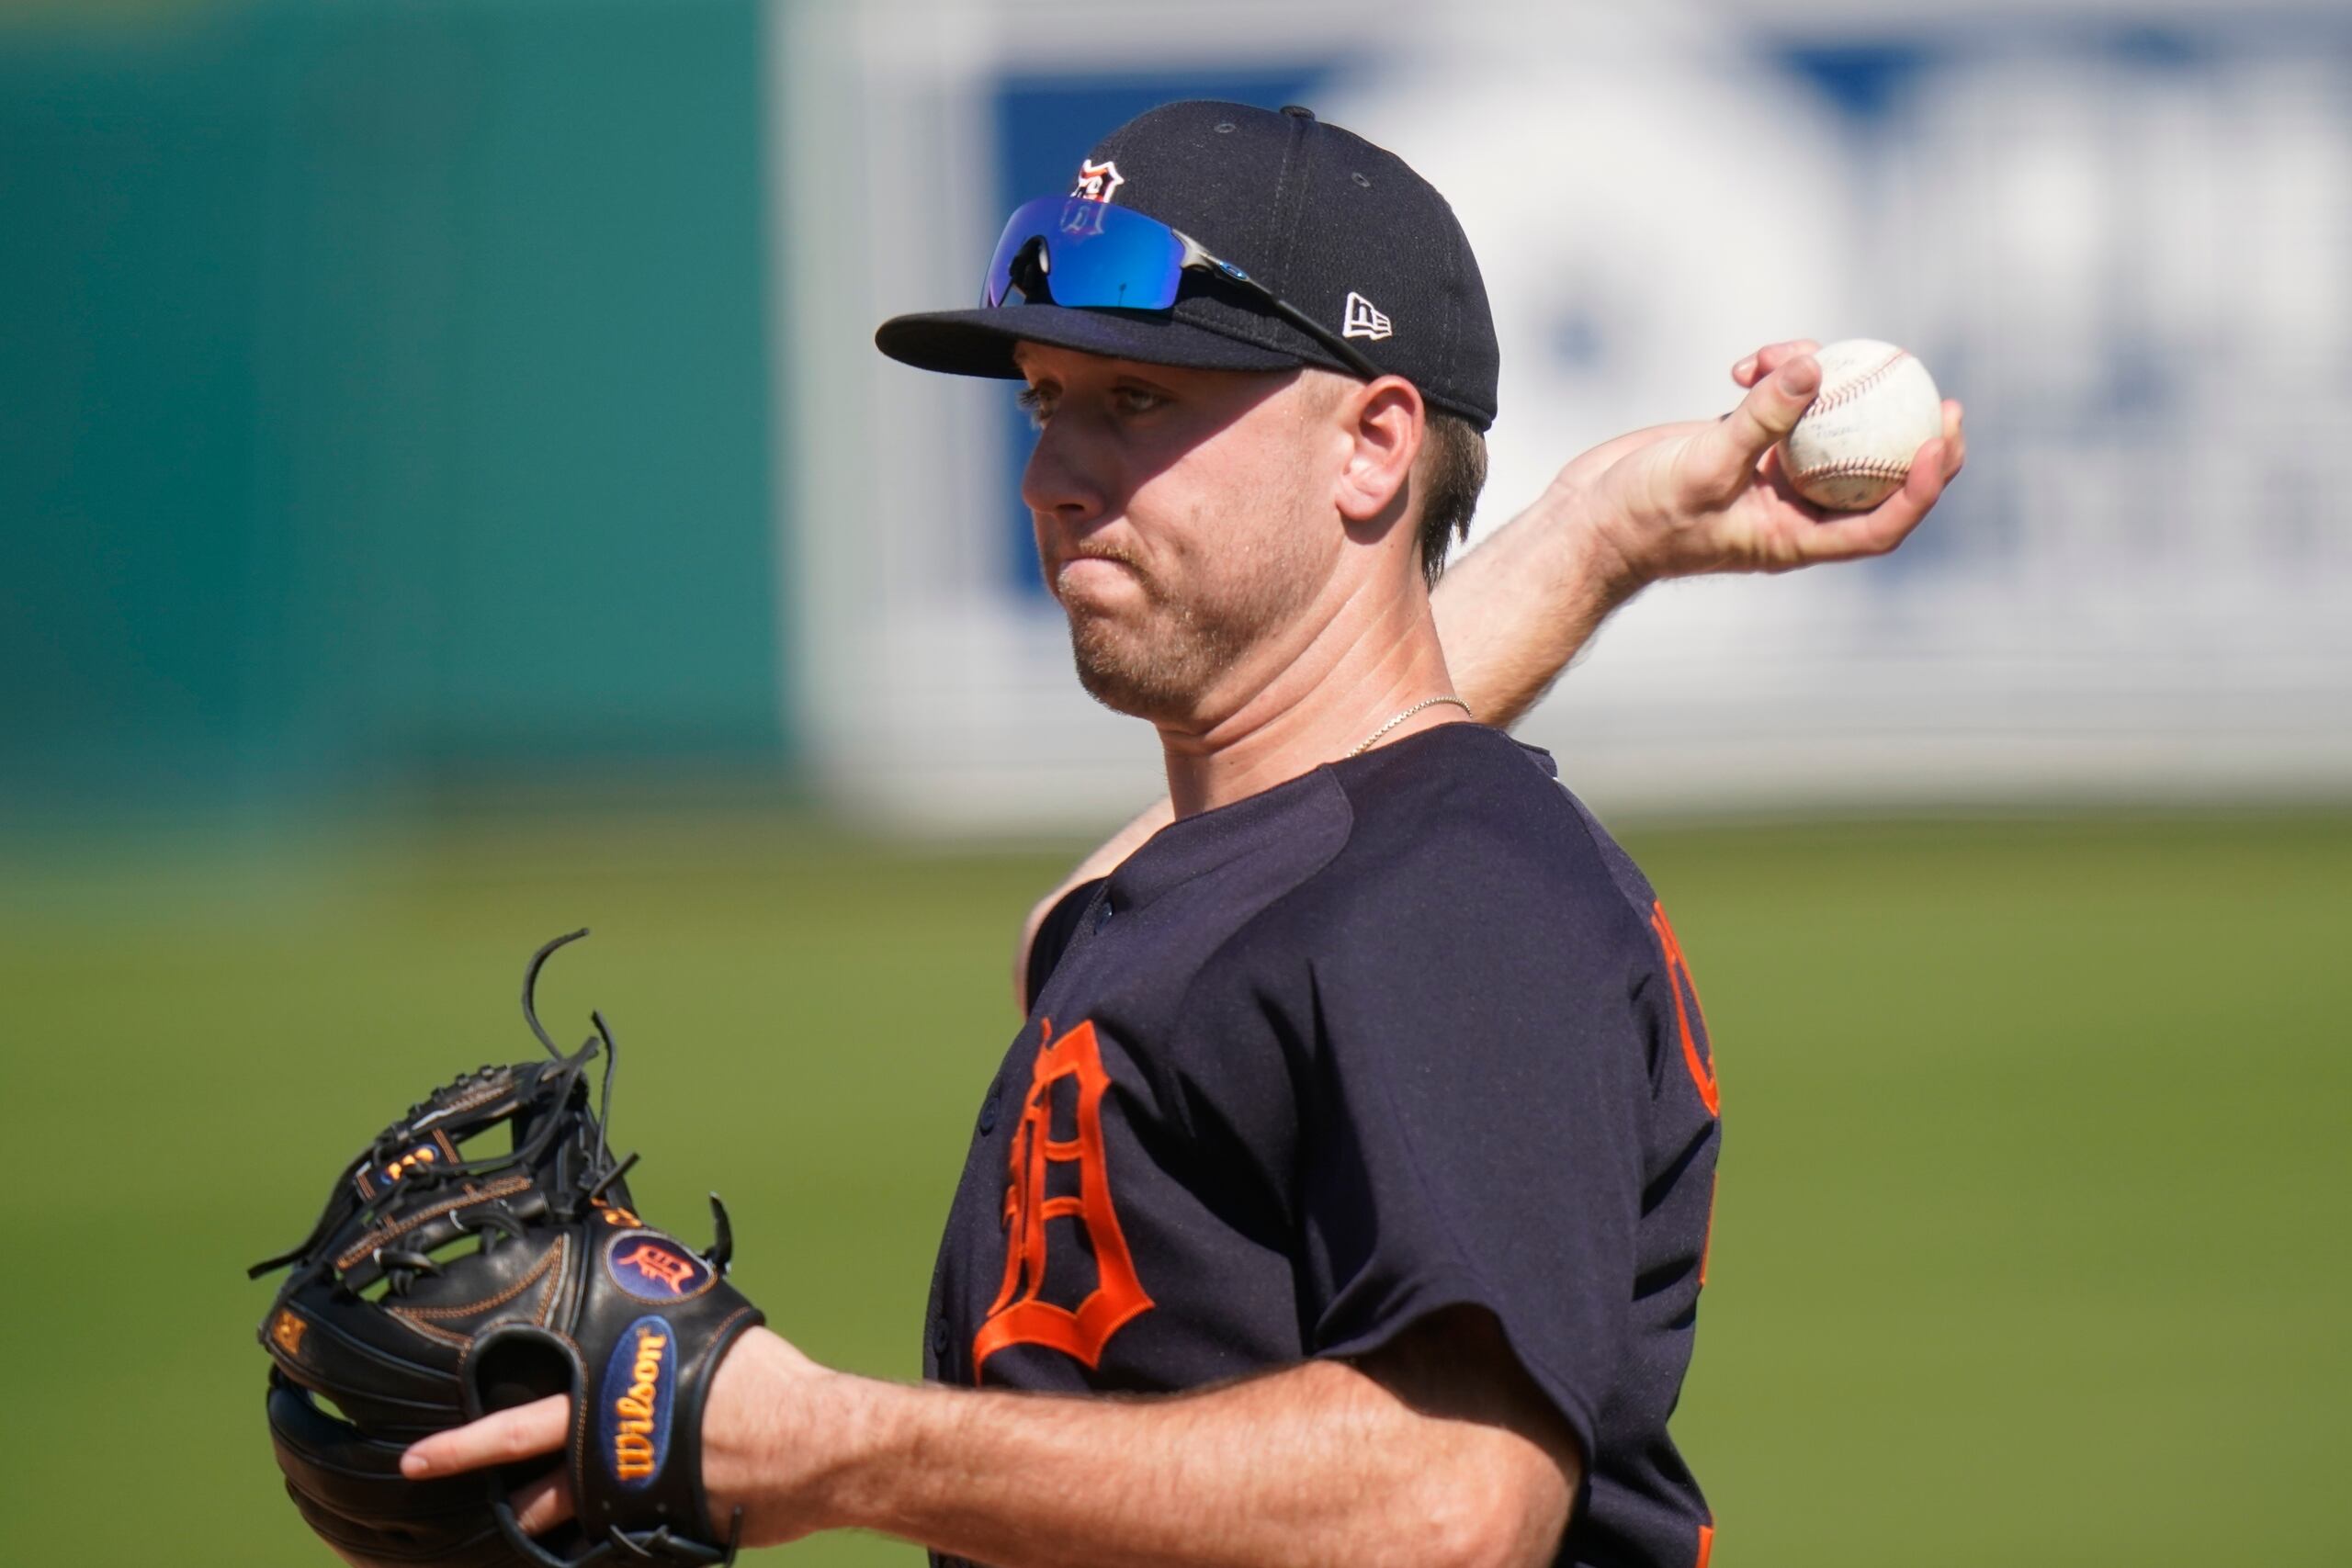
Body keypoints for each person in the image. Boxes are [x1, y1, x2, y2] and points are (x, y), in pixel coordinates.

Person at [404, 99, 1963, 1568]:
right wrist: (1593, 536)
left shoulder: (1462, 890)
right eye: (1046, 401)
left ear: (1372, 445)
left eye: (1137, 401)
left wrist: (835, 1449)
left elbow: (1455, 1499)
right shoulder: (1220, 891)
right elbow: (1124, 929)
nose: (1051, 476)